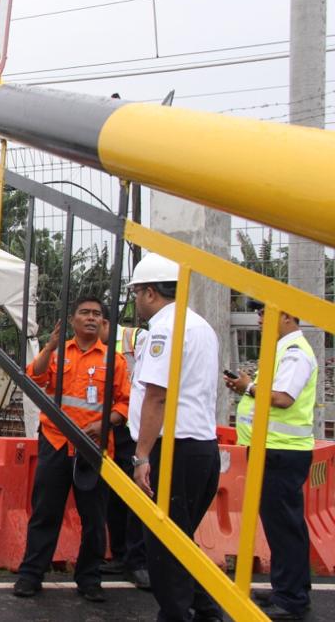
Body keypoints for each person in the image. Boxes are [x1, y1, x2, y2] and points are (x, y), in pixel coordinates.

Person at [13, 296, 130, 603]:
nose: (91, 318)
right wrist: (49, 347)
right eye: (85, 313)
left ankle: (90, 578)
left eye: (97, 314)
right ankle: (31, 574)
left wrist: (105, 424)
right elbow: (34, 377)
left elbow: (125, 403)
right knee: (45, 511)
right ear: (73, 319)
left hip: (93, 448)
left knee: (94, 518)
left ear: (103, 322)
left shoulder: (114, 360)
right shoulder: (57, 352)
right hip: (55, 440)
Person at [128, 253, 222, 622]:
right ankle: (207, 610)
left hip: (175, 450)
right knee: (181, 540)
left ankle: (176, 615)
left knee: (164, 546)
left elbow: (157, 395)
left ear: (150, 292)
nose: (136, 300)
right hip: (200, 449)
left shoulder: (165, 330)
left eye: (137, 293)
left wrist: (142, 457)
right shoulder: (200, 325)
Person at [224, 302, 317, 620]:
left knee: (285, 526)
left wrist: (247, 387)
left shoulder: (294, 352)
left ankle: (290, 598)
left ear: (287, 317)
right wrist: (247, 386)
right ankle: (288, 589)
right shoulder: (282, 350)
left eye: (265, 314)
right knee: (284, 524)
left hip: (281, 450)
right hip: (274, 449)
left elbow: (282, 397)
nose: (260, 320)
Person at [98, 319, 150, 590]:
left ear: (105, 322)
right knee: (113, 497)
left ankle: (137, 561)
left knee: (136, 496)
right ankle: (119, 554)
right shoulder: (95, 347)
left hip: (134, 430)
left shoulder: (136, 339)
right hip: (110, 428)